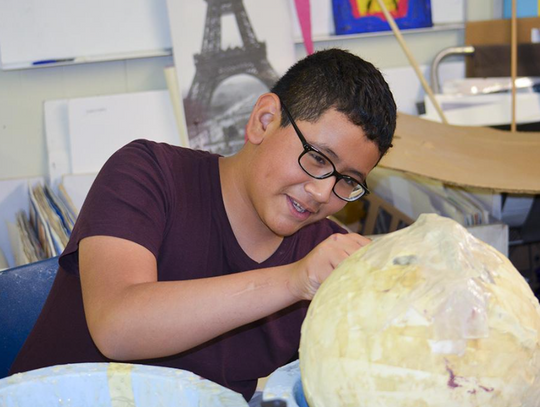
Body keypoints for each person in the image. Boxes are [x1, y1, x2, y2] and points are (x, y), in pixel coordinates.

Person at [10, 48, 396, 402]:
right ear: (264, 121)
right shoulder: (148, 173)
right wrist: (292, 281)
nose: (321, 192)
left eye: (347, 181)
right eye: (316, 157)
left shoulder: (327, 257)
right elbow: (117, 326)